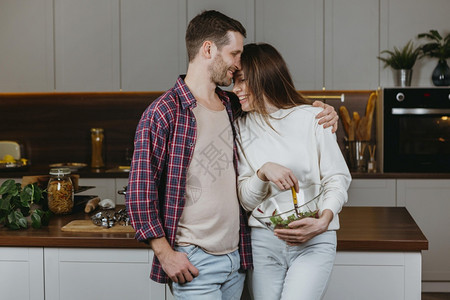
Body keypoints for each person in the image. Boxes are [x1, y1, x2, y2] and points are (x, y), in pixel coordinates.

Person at [126, 10, 338, 299]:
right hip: (193, 260)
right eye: (235, 54)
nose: (239, 64)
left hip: (237, 260)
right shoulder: (164, 113)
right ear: (209, 49)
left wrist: (322, 111)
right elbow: (139, 192)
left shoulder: (232, 107)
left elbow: (276, 110)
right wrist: (165, 254)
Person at [233, 42, 352, 300]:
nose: (235, 89)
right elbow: (245, 199)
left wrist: (324, 220)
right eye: (234, 81)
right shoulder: (239, 129)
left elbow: (337, 178)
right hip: (264, 242)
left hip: (315, 240)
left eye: (242, 80)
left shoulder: (314, 118)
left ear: (263, 77)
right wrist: (263, 172)